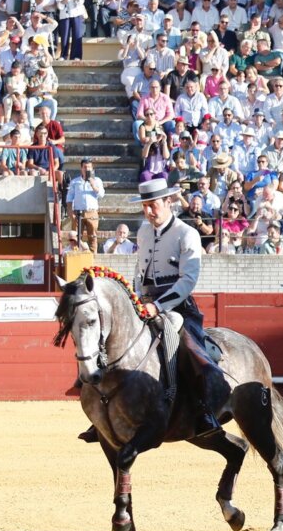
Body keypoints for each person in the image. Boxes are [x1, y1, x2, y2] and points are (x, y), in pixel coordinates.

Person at [81, 178, 230, 441]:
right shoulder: (144, 231)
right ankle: (104, 411)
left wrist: (158, 305)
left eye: (153, 206)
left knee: (184, 347)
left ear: (168, 202)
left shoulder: (187, 233)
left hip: (177, 307)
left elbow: (188, 280)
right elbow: (140, 273)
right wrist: (135, 300)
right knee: (109, 337)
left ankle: (200, 408)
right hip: (145, 302)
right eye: (145, 206)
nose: (149, 212)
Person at [66, 158, 104, 252]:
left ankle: (92, 256)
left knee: (93, 236)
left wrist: (93, 185)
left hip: (92, 212)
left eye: (89, 167)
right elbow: (69, 197)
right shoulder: (75, 182)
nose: (87, 169)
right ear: (81, 168)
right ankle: (76, 253)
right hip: (78, 212)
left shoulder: (97, 180)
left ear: (92, 168)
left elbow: (101, 194)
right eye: (85, 167)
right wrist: (70, 211)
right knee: (76, 236)